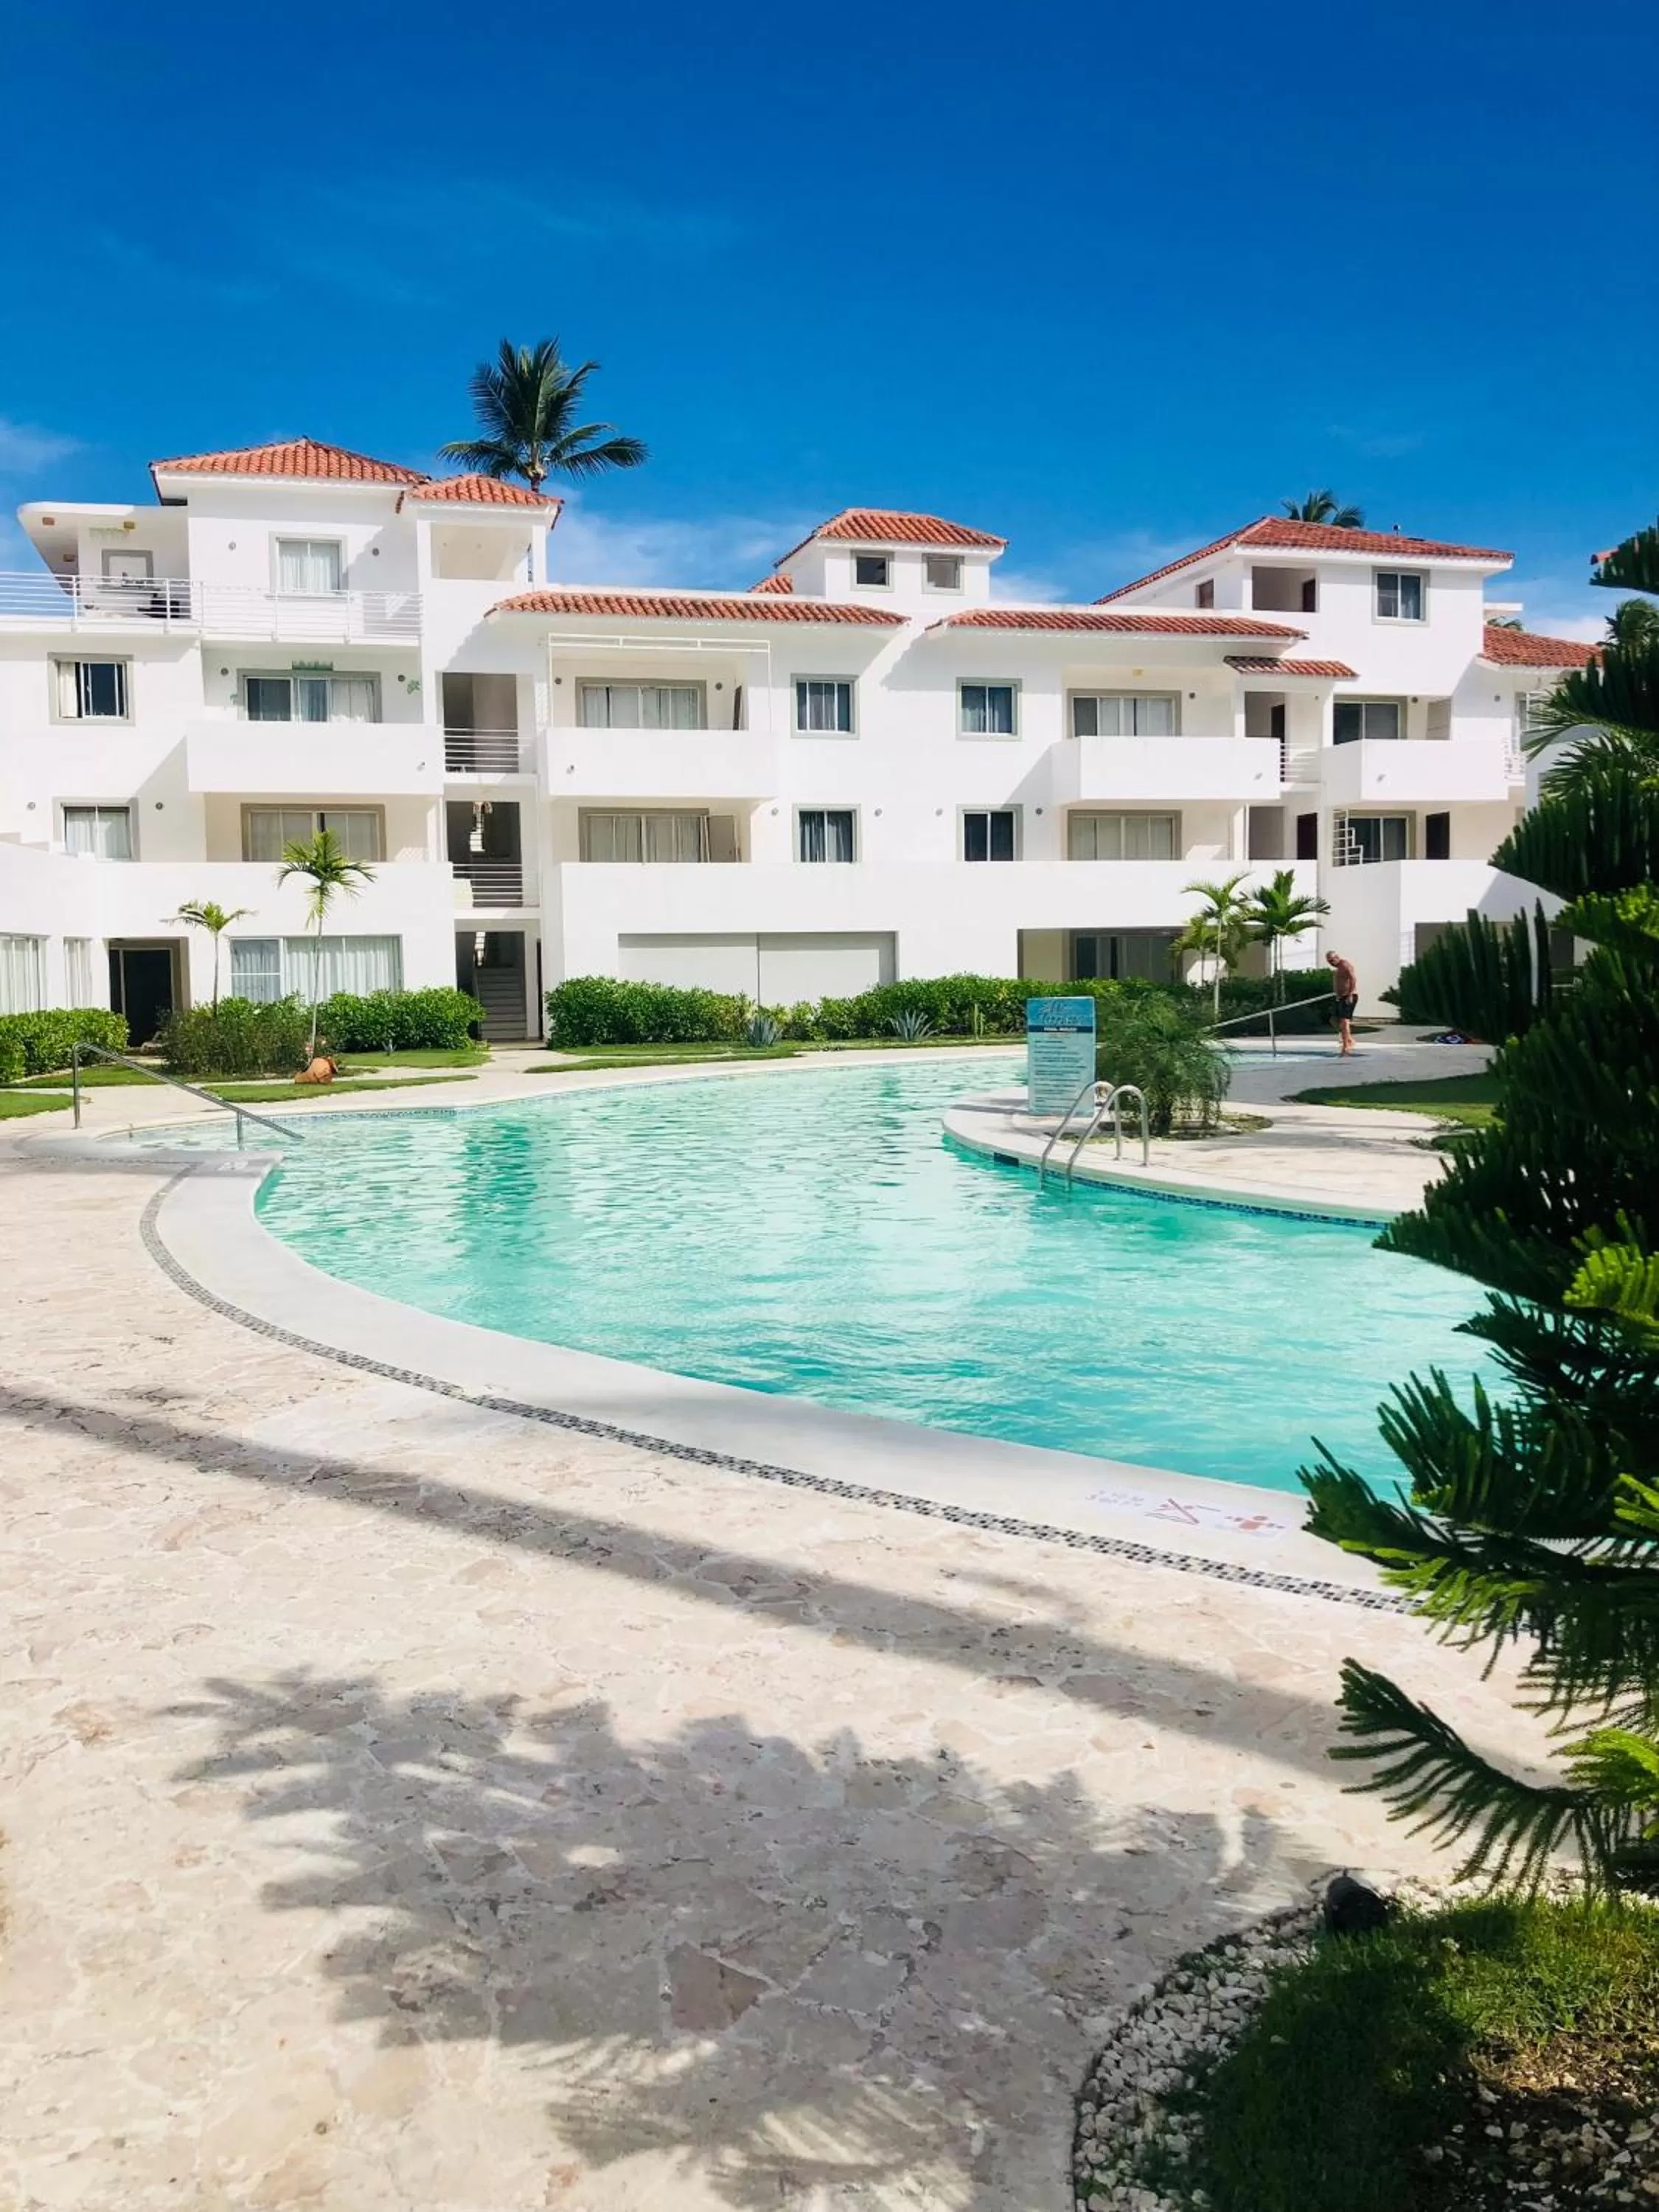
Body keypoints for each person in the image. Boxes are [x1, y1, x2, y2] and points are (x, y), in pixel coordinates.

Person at [1326, 949, 1359, 1056]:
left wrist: (1349, 994)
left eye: (1331, 961)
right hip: (1340, 997)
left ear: (1337, 957)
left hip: (1349, 996)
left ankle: (1346, 1046)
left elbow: (1353, 979)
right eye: (1328, 961)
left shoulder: (1345, 965)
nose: (1330, 963)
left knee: (1344, 1021)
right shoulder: (1338, 968)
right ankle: (1349, 1039)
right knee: (1333, 1020)